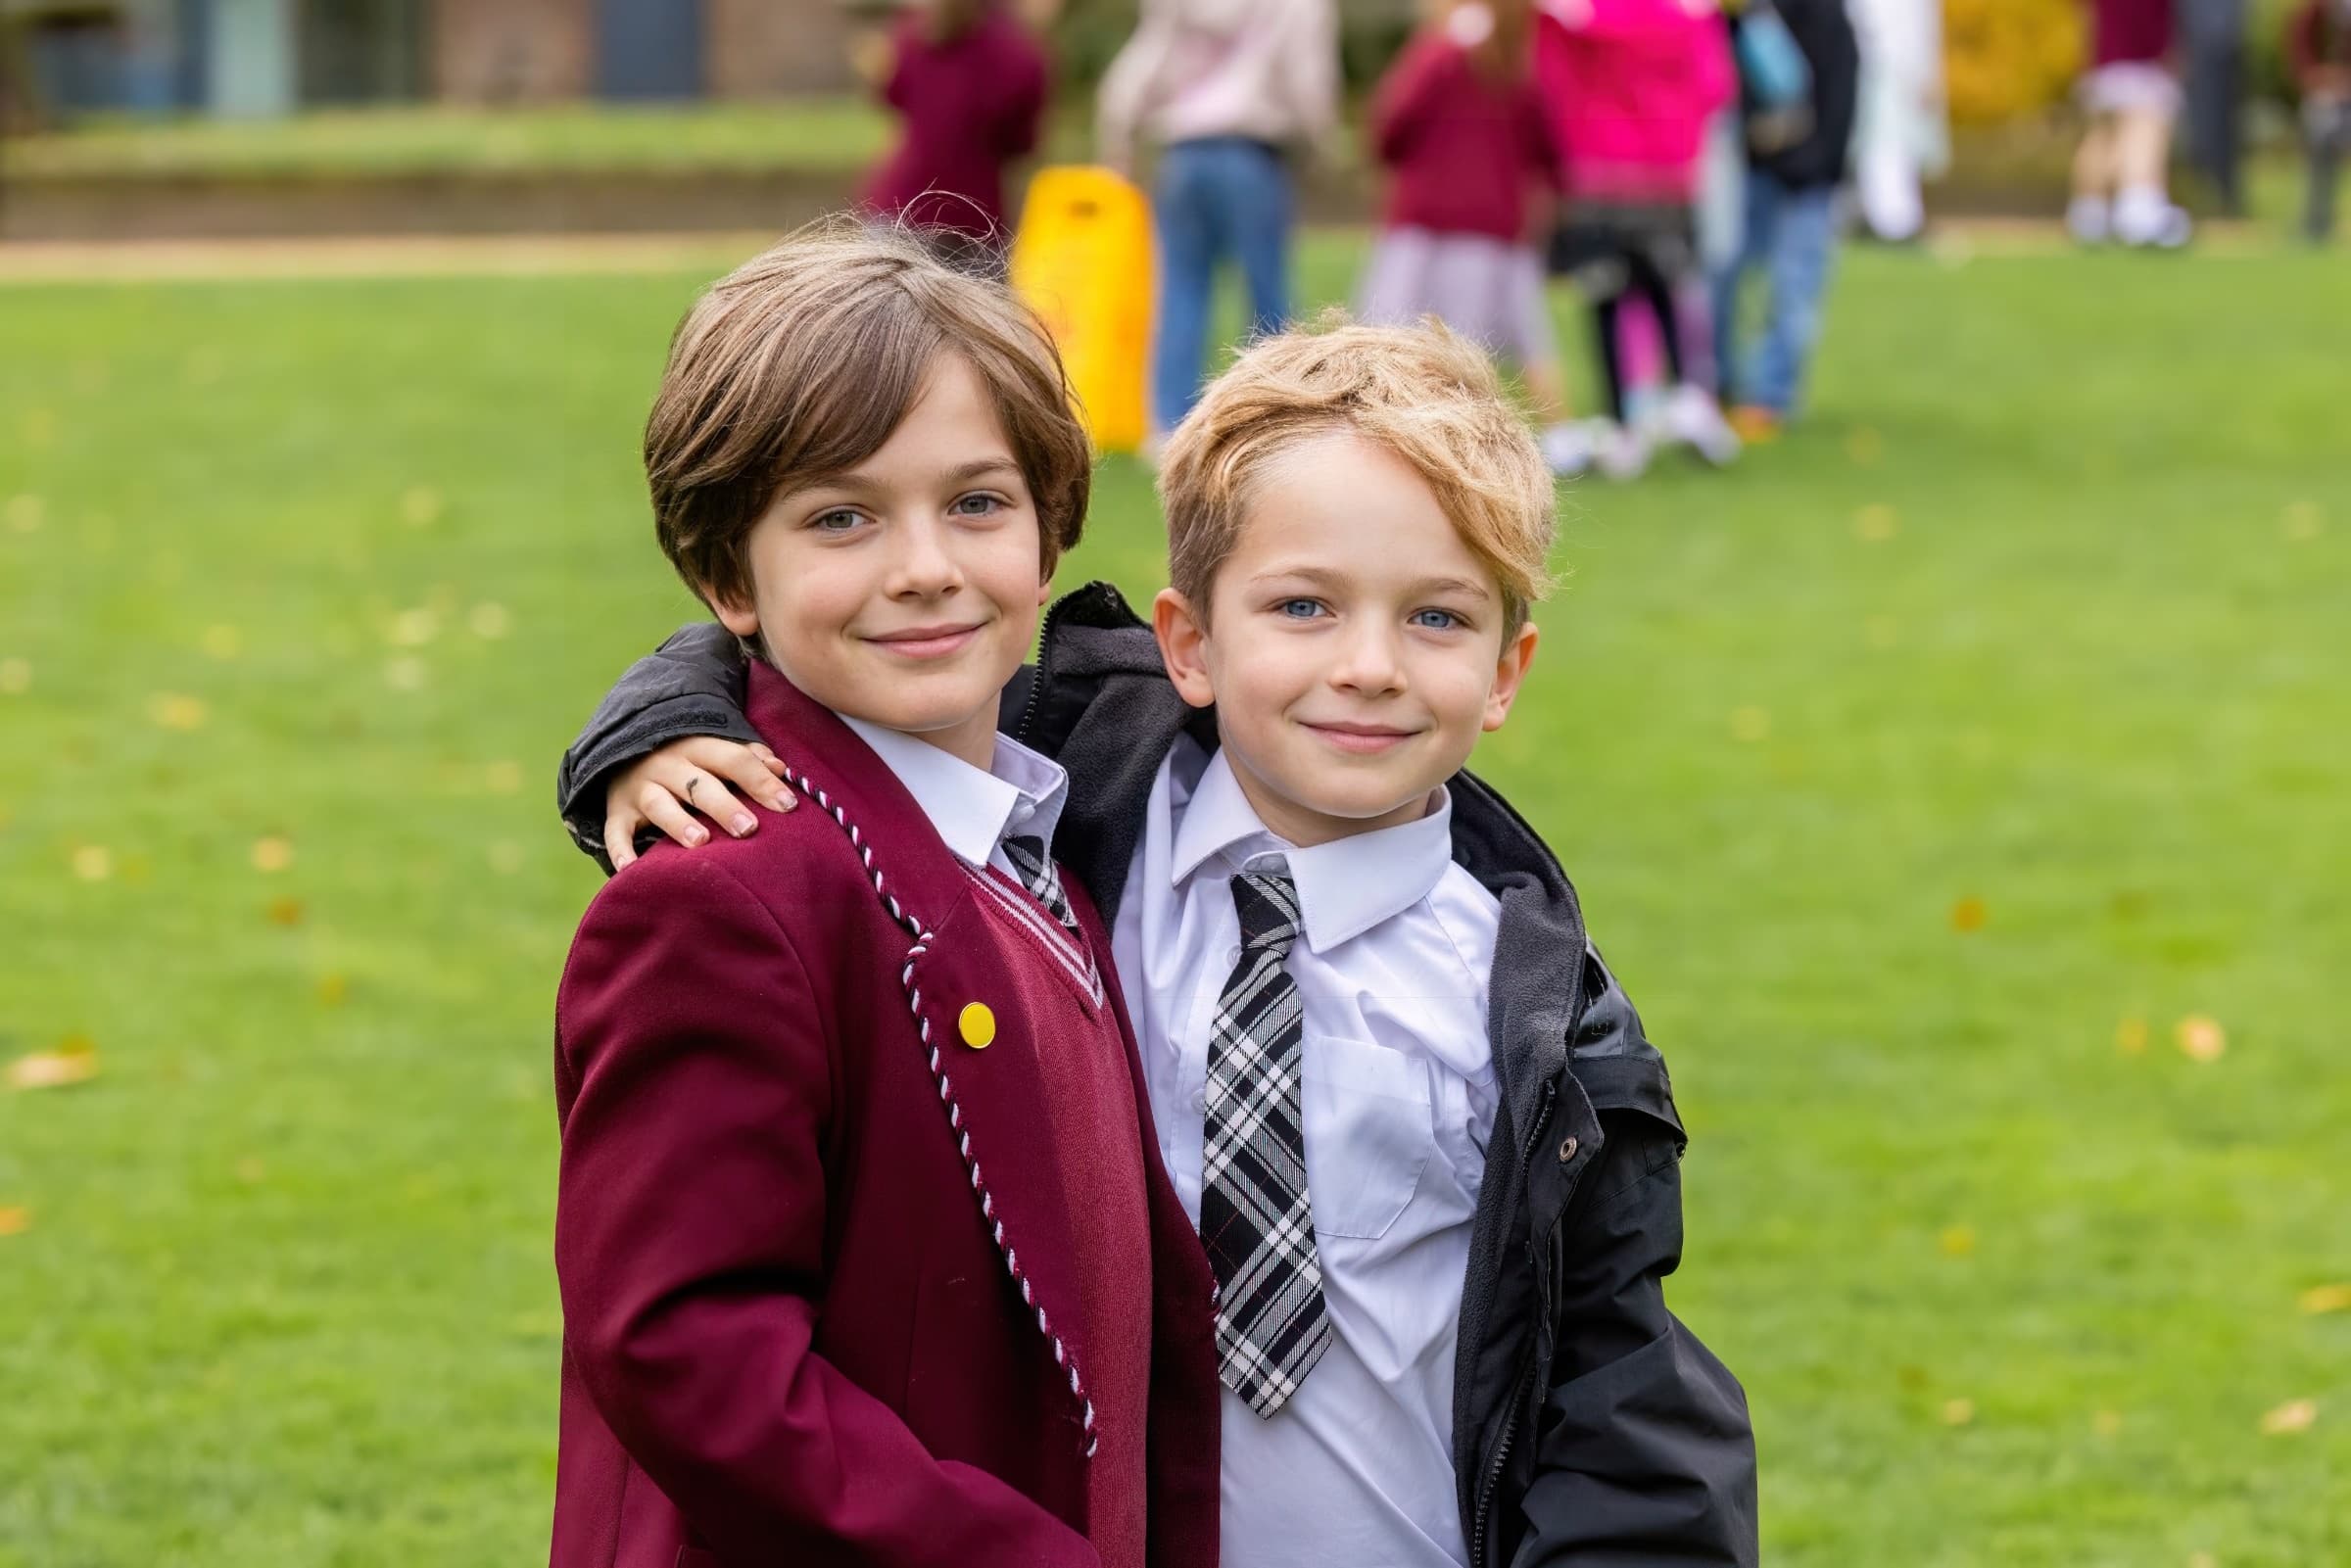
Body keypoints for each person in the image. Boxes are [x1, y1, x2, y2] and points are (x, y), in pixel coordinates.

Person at [558, 321, 1760, 1568]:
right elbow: (832, 650)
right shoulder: (1072, 810)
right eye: (1301, 605)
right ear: (1187, 641)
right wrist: (659, 720)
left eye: (1437, 619)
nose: (1366, 667)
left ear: (1507, 670)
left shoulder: (1537, 1014)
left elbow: (1616, 1391)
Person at [547, 224, 1221, 1568]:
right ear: (728, 577)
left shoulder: (1051, 823)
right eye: (843, 517)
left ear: (1047, 534)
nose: (925, 565)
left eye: (976, 503)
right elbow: (689, 1354)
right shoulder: (720, 901)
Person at [1358, 0, 1590, 476]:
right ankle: (1554, 439)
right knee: (1507, 345)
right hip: (1498, 232)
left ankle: (1412, 452)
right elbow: (1552, 150)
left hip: (1427, 231)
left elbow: (1389, 128)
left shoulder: (1440, 56)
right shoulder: (1521, 61)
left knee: (1392, 345)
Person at [1096, 0, 1340, 441]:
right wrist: (1320, 141)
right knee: (1267, 293)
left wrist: (1119, 136)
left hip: (1183, 154)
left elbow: (1143, 65)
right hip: (1252, 153)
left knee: (1181, 291)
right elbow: (1307, 77)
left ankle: (1171, 428)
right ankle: (1274, 416)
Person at [1534, 0, 1745, 479]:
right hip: (1669, 172)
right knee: (1667, 287)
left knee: (1607, 296)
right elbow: (1716, 87)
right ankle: (1691, 396)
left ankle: (1622, 423)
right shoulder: (1690, 13)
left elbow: (1548, 84)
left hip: (1599, 172)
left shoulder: (1575, 15)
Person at [1711, 0, 1858, 440]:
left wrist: (1819, 165)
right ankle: (1716, 386)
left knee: (1793, 288)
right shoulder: (1739, 16)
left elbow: (1841, 89)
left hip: (1807, 180)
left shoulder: (1823, 14)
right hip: (1750, 172)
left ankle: (1769, 398)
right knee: (1719, 275)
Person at [856, 0, 1049, 272]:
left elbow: (893, 96)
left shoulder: (915, 34)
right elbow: (1021, 143)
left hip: (900, 208)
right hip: (975, 220)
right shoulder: (1021, 57)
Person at [2067, 0, 2194, 249]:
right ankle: (2139, 209)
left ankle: (2089, 213)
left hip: (2104, 59)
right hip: (2140, 61)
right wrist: (2164, 51)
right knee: (2145, 131)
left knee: (2104, 137)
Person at [1847, 0, 1948, 243]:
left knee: (1899, 151)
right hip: (1884, 74)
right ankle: (1891, 221)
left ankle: (1898, 218)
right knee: (1883, 151)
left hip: (1901, 76)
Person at [2287, 0, 2351, 242]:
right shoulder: (2316, 12)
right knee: (2321, 129)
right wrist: (2322, 80)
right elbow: (2301, 58)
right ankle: (2316, 223)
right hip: (2328, 99)